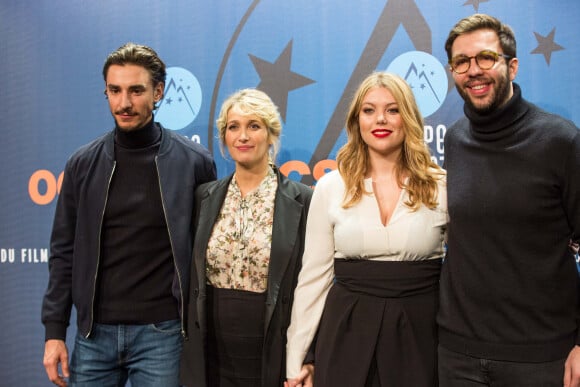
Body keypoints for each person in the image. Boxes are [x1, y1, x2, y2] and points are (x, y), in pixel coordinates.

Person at [41, 42, 217, 387]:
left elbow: (205, 255)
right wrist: (54, 331)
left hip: (162, 335)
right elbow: (63, 253)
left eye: (136, 90)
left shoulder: (194, 162)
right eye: (115, 91)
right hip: (93, 335)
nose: (124, 103)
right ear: (105, 92)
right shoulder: (82, 164)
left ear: (158, 92)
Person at [438, 13, 580, 387]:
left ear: (512, 66)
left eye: (486, 58)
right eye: (461, 62)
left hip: (542, 358)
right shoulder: (454, 140)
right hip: (458, 356)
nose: (473, 71)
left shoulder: (561, 141)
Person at [285, 71, 447, 387]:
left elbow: (465, 275)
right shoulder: (331, 187)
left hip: (421, 333)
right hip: (346, 331)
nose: (380, 120)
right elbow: (313, 280)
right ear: (357, 121)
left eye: (393, 109)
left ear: (408, 117)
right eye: (369, 110)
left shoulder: (441, 186)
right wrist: (297, 359)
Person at [179, 88, 313, 387]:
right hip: (211, 355)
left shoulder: (302, 201)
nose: (243, 136)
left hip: (272, 351)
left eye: (254, 126)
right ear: (224, 138)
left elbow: (314, 284)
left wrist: (309, 354)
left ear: (270, 134)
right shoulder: (204, 197)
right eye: (233, 127)